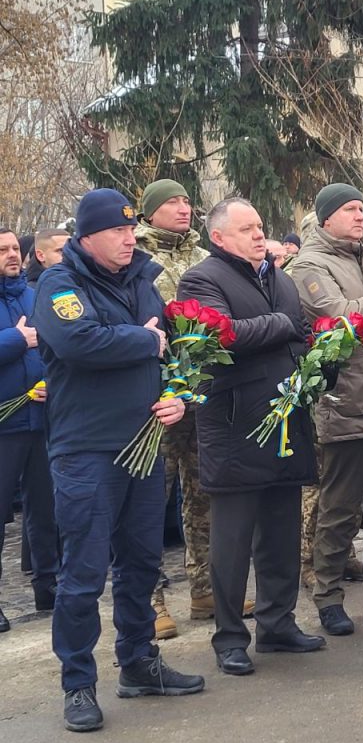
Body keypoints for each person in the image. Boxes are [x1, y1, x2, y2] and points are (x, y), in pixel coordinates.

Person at [34, 188, 204, 732]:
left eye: (132, 230)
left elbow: (170, 351)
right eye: (118, 231)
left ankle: (138, 661)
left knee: (142, 563)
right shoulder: (60, 284)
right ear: (87, 237)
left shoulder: (142, 281)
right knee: (83, 573)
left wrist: (176, 395)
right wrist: (142, 341)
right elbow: (79, 342)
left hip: (145, 445)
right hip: (86, 449)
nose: (130, 239)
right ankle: (78, 683)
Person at [178, 197, 324, 677]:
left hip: (283, 421)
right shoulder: (202, 279)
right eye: (247, 229)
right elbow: (222, 336)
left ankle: (277, 624)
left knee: (281, 534)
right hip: (236, 425)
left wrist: (322, 359)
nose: (259, 234)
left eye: (260, 226)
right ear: (219, 238)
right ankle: (229, 637)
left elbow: (300, 334)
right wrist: (283, 326)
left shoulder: (280, 279)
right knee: (233, 541)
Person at [135, 178, 253, 639]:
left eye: (186, 200)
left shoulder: (205, 256)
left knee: (205, 493)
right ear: (149, 211)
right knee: (151, 499)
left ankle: (206, 589)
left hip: (204, 390)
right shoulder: (137, 258)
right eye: (172, 201)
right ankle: (149, 601)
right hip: (158, 393)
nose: (183, 207)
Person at [289, 183, 363, 636]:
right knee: (340, 508)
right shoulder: (310, 264)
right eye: (349, 210)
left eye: (362, 209)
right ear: (326, 218)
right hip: (348, 400)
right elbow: (339, 315)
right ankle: (328, 595)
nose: (360, 216)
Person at [0, 228, 59, 630]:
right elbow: (25, 340)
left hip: (41, 417)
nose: (12, 255)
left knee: (45, 507)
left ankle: (47, 584)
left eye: (13, 248)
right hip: (5, 423)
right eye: (2, 250)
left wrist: (52, 381)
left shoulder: (34, 294)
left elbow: (57, 344)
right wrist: (16, 339)